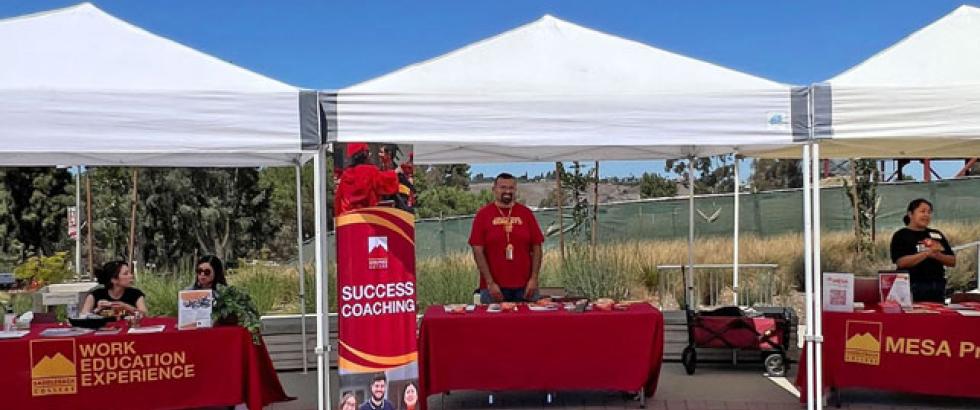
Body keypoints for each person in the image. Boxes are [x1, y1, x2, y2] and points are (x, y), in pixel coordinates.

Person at [469, 173, 544, 303]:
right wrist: (490, 282)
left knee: (530, 322)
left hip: (525, 287)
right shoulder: (483, 215)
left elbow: (537, 247)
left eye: (511, 188)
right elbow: (477, 250)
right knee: (494, 323)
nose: (507, 191)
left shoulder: (526, 214)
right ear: (494, 189)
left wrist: (534, 279)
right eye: (503, 187)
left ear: (515, 190)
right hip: (494, 288)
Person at [890, 198, 956, 302]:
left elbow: (952, 261)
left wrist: (937, 255)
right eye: (922, 211)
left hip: (937, 287)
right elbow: (901, 262)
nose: (926, 215)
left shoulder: (936, 234)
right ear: (910, 214)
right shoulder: (901, 235)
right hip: (911, 286)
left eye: (929, 212)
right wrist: (926, 254)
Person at [334, 142, 400, 215]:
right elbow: (385, 182)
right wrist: (395, 173)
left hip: (349, 217)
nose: (370, 154)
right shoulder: (370, 171)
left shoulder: (346, 174)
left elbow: (338, 199)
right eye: (368, 152)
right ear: (364, 155)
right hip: (367, 217)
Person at [80, 261, 148, 316]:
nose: (131, 276)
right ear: (114, 280)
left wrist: (126, 307)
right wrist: (97, 309)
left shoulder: (135, 294)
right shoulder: (95, 295)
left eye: (130, 273)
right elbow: (82, 318)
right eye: (126, 274)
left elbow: (145, 315)